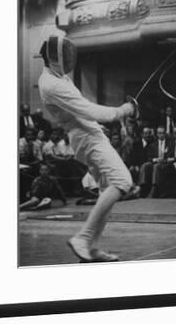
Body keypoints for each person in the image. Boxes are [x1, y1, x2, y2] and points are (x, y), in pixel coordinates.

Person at [38, 35, 137, 262]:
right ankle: (83, 238)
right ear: (55, 57)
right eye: (66, 55)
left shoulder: (58, 76)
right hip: (86, 137)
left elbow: (83, 110)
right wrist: (123, 110)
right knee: (123, 181)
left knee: (106, 190)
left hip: (88, 134)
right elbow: (90, 111)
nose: (71, 59)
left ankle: (91, 248)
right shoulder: (51, 84)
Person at [139, 126, 174, 198]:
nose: (161, 135)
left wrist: (164, 160)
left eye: (163, 133)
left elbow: (171, 155)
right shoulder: (153, 144)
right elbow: (149, 157)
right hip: (155, 161)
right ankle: (142, 185)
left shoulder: (170, 143)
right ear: (157, 134)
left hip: (165, 163)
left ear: (165, 134)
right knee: (145, 165)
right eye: (159, 133)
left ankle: (154, 188)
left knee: (156, 166)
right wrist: (154, 159)